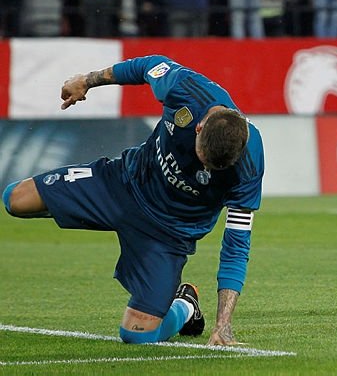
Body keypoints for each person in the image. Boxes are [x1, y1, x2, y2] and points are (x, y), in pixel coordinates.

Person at [2, 55, 265, 345]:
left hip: (168, 233)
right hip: (122, 183)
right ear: (199, 128)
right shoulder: (186, 88)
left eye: (213, 170)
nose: (203, 171)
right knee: (15, 199)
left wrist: (223, 324)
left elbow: (236, 245)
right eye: (203, 160)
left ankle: (186, 306)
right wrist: (87, 81)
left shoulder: (250, 165)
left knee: (137, 335)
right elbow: (147, 66)